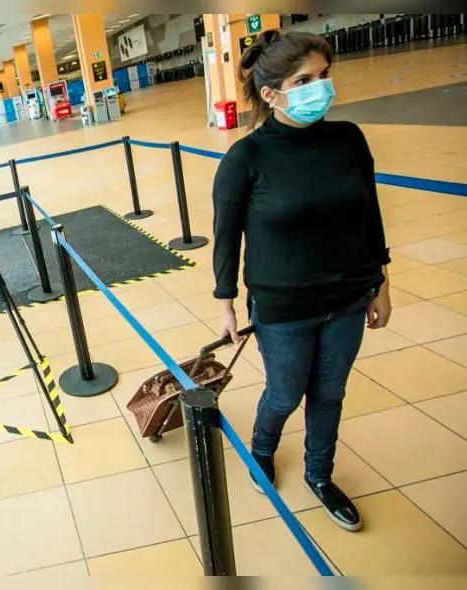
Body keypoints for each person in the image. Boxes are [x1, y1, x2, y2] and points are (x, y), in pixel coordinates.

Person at [211, 30, 391, 533]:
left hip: (349, 297)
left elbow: (369, 214)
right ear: (272, 94)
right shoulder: (245, 160)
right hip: (283, 305)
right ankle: (262, 448)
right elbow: (226, 239)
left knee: (330, 393)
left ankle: (320, 475)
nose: (320, 87)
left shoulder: (348, 139)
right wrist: (226, 303)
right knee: (286, 392)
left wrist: (380, 280)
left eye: (324, 76)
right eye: (304, 80)